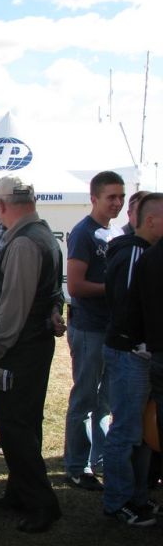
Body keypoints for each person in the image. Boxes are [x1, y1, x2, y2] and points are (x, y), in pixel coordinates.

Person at [0, 176, 65, 534]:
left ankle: (42, 504)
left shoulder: (25, 242)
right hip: (31, 344)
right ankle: (20, 492)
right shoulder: (42, 234)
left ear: (0, 204)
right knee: (24, 423)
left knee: (15, 427)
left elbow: (14, 306)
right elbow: (51, 291)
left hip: (19, 348)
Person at [102, 193, 163, 526]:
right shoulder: (135, 253)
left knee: (139, 432)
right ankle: (116, 502)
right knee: (126, 430)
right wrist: (136, 342)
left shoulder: (144, 252)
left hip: (138, 352)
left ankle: (137, 496)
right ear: (150, 220)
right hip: (129, 353)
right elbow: (125, 306)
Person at [64, 170, 126, 491]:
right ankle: (75, 466)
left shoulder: (112, 232)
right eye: (110, 197)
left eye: (121, 196)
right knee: (85, 399)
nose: (117, 202)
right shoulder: (83, 233)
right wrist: (115, 289)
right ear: (94, 199)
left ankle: (96, 460)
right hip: (89, 328)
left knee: (104, 402)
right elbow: (75, 285)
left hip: (109, 327)